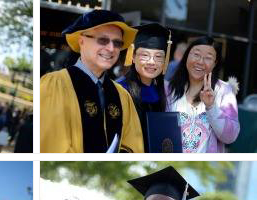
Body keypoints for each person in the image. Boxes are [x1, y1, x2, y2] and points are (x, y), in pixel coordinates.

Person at [40, 10, 144, 153]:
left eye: (117, 43)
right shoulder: (54, 85)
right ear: (81, 41)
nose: (111, 48)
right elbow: (52, 146)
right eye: (102, 40)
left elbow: (133, 145)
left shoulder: (122, 95)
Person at [166, 36, 240, 153]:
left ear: (215, 63)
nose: (200, 62)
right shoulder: (169, 89)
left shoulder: (224, 91)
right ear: (186, 56)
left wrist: (211, 107)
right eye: (196, 54)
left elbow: (230, 137)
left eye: (208, 58)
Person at [117, 23, 171, 153]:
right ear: (133, 57)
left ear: (165, 61)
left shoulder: (164, 92)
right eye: (145, 55)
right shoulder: (119, 89)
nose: (152, 62)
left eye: (159, 56)